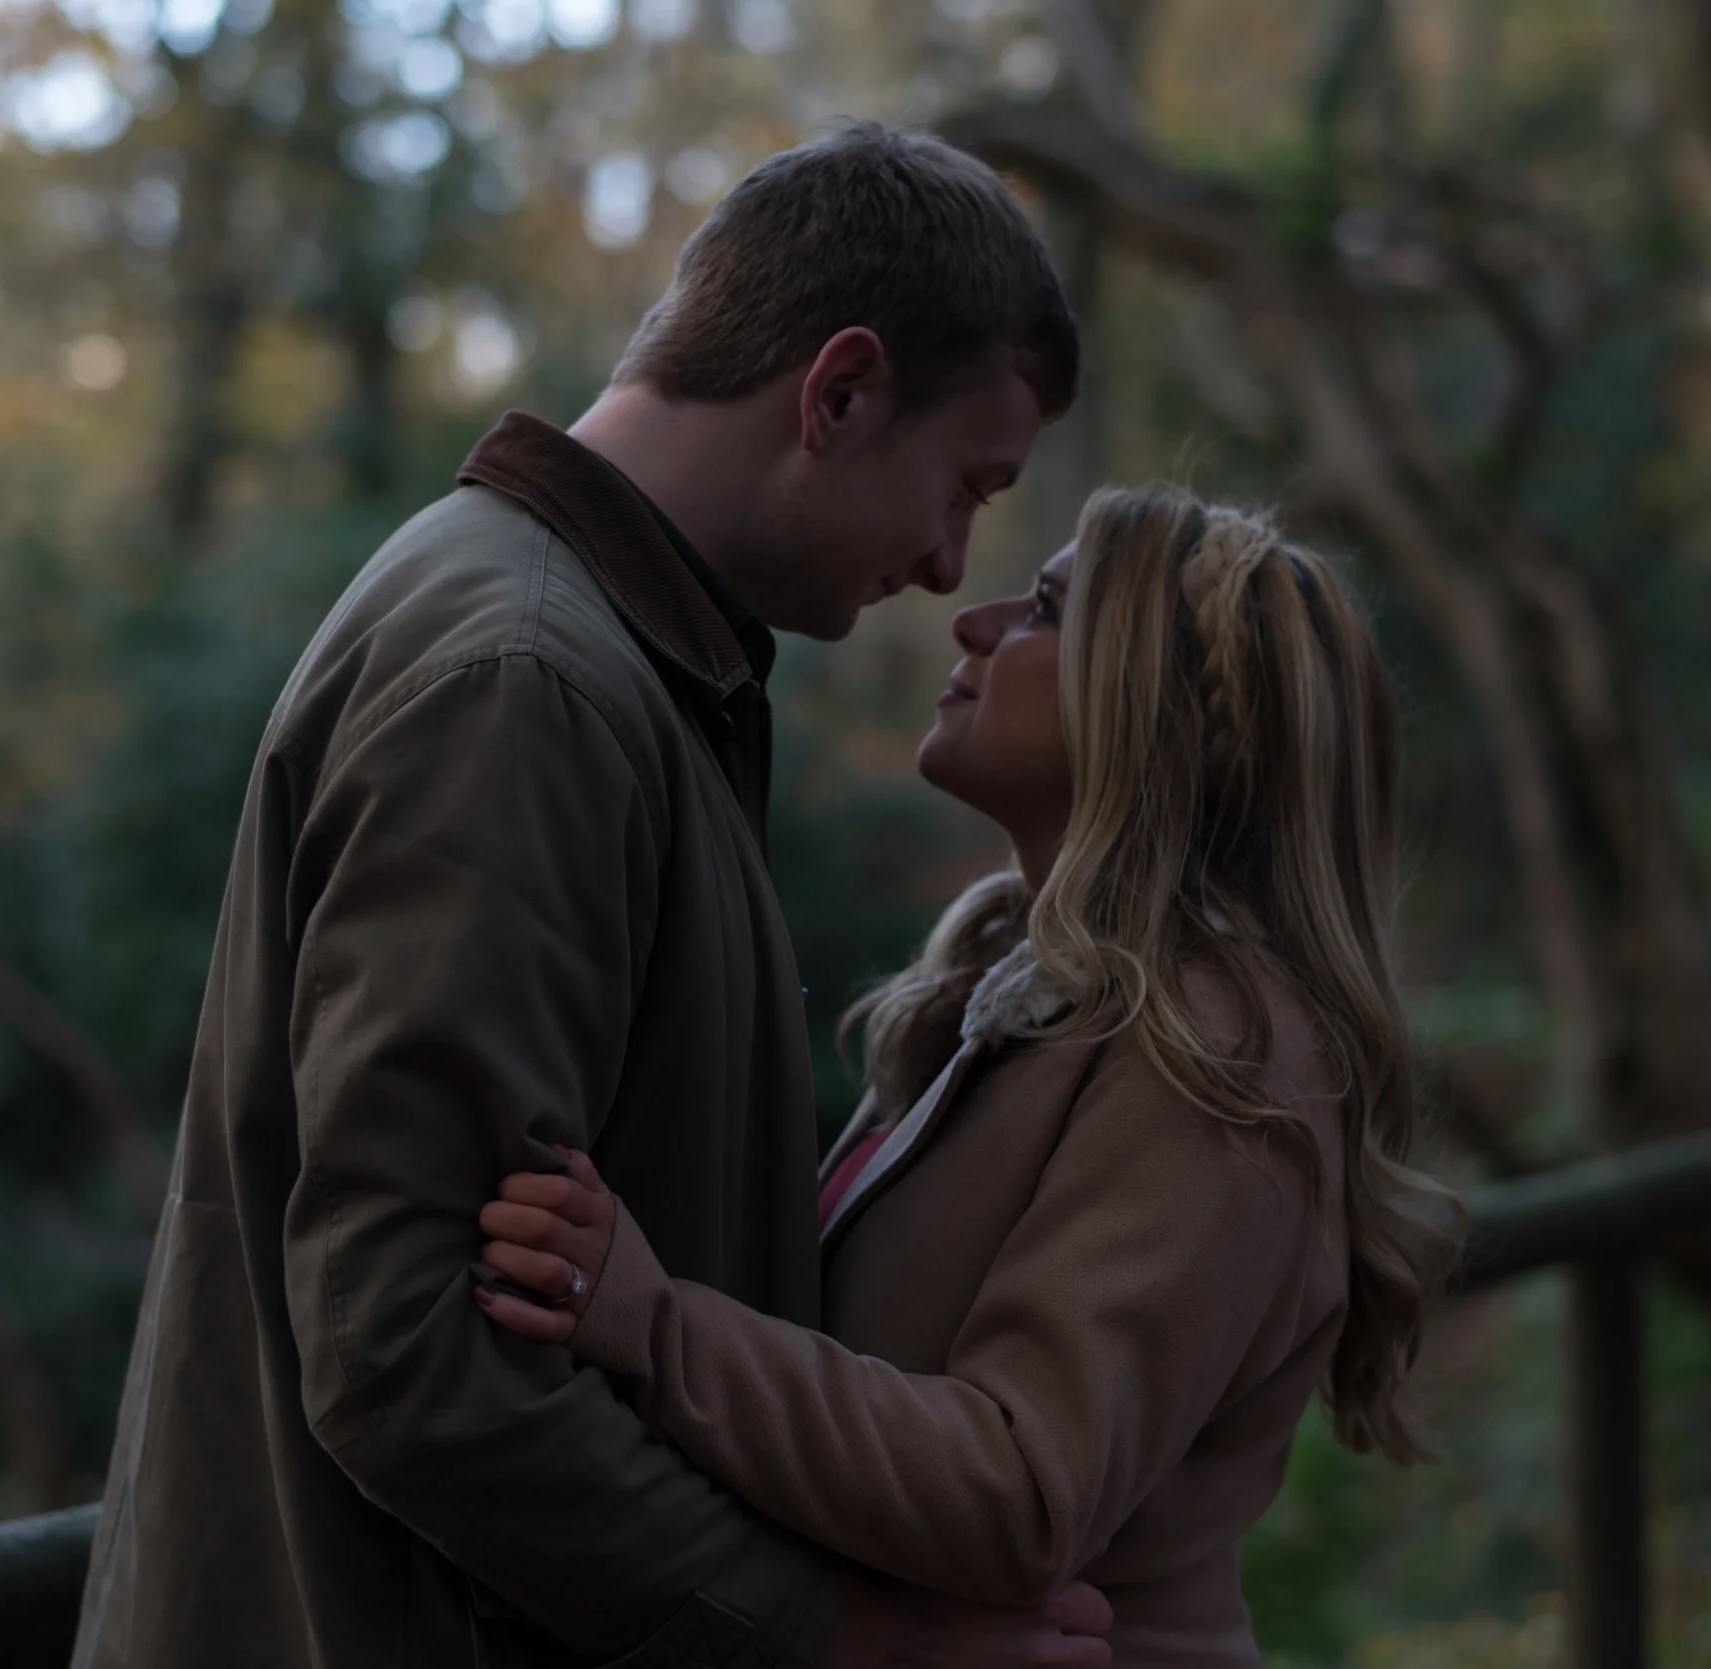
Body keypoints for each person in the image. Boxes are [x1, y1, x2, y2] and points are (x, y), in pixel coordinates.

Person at [71, 124, 1112, 1669]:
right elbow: (410, 1349)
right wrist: (830, 1635)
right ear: (838, 392)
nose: (950, 558)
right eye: (966, 485)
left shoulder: (594, 655)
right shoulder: (528, 683)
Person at [473, 486, 1463, 1669]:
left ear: (1161, 708)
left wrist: (653, 1323)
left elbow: (1023, 1486)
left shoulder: (1221, 1045)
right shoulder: (1023, 991)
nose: (971, 622)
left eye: (1044, 607)